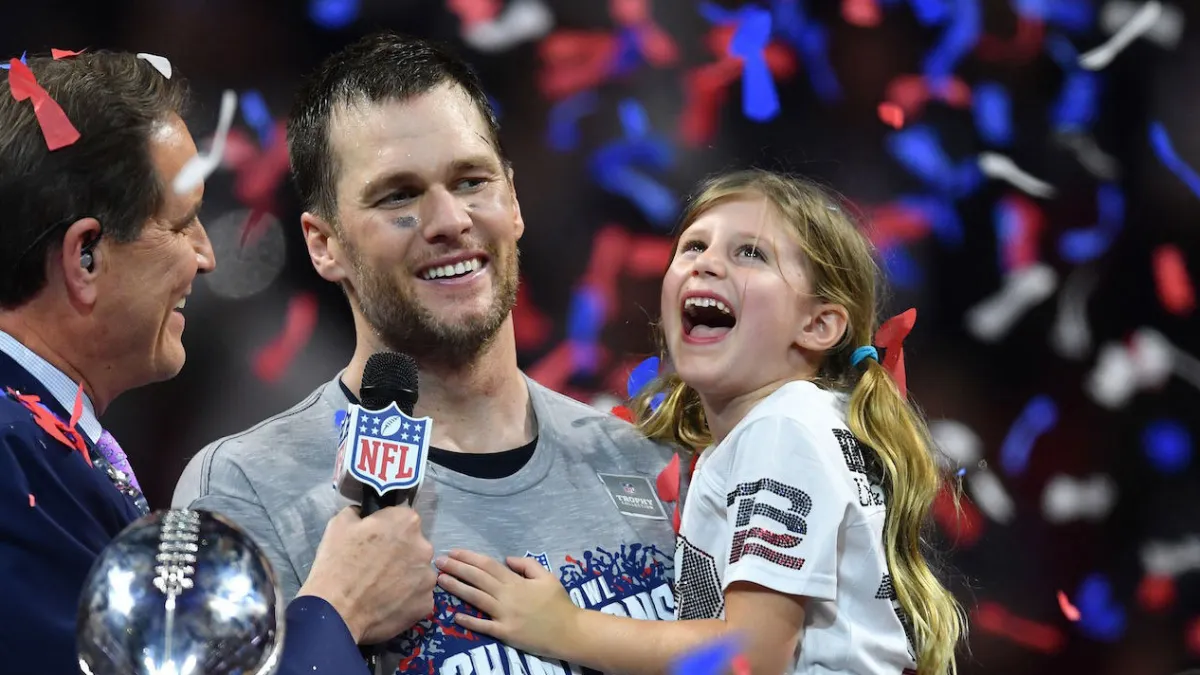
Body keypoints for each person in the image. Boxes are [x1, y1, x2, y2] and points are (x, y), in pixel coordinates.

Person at [172, 31, 677, 675]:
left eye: (471, 181)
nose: (449, 220)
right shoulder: (248, 490)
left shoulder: (643, 461)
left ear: (514, 201)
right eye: (398, 196)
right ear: (323, 244)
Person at [0, 51, 435, 675]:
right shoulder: (13, 461)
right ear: (85, 258)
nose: (206, 256)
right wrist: (339, 608)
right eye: (181, 225)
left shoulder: (36, 441)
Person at [434, 170, 969, 675]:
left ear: (820, 324)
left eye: (750, 253)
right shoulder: (802, 423)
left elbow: (751, 653)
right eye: (694, 245)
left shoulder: (782, 428)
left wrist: (565, 626)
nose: (706, 264)